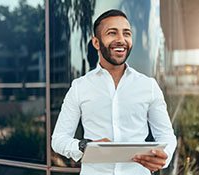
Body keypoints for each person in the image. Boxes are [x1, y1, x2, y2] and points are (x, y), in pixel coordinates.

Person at [52, 9, 177, 175]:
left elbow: (167, 136)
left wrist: (164, 156)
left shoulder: (149, 86)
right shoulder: (79, 87)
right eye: (112, 33)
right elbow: (59, 139)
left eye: (127, 33)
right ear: (96, 43)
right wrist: (85, 146)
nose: (121, 40)